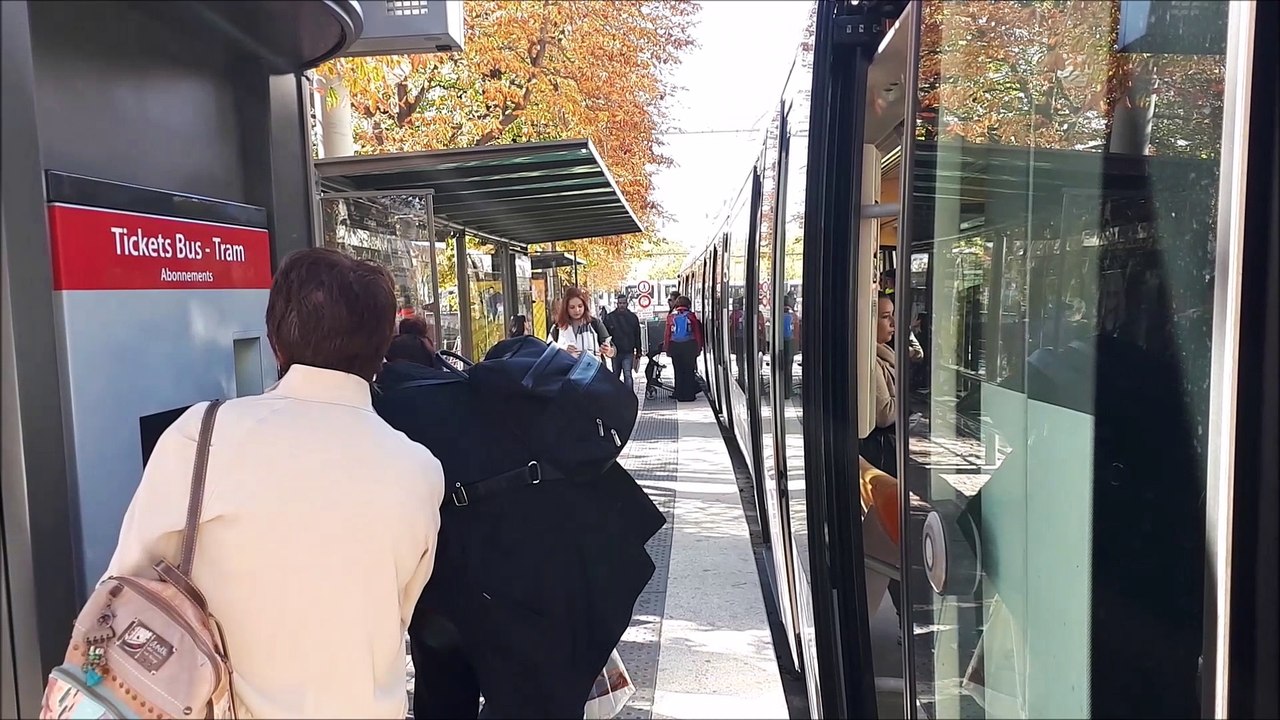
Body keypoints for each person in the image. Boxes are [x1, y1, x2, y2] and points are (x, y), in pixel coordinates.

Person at [105, 247, 445, 719]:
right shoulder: (419, 470)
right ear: (382, 350)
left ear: (275, 341)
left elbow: (123, 589)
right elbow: (397, 611)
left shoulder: (201, 435)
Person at [550, 287, 615, 361]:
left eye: (580, 306)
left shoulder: (595, 324)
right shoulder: (558, 327)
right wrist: (562, 350)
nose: (577, 310)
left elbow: (613, 350)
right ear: (566, 308)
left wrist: (608, 350)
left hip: (592, 370)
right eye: (572, 307)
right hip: (567, 371)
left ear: (585, 306)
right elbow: (548, 352)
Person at [664, 296, 704, 402]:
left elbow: (667, 334)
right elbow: (697, 333)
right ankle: (689, 395)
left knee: (678, 371)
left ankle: (679, 394)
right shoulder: (691, 316)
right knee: (689, 370)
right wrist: (699, 347)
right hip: (689, 346)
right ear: (688, 305)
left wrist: (667, 348)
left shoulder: (671, 317)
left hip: (675, 346)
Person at [604, 294, 642, 391]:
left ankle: (628, 396)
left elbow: (637, 334)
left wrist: (638, 350)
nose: (622, 305)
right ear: (617, 304)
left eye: (623, 303)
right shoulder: (610, 318)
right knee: (616, 375)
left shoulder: (632, 318)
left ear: (627, 303)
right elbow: (604, 335)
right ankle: (618, 396)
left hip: (628, 351)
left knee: (627, 374)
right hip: (615, 352)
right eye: (620, 303)